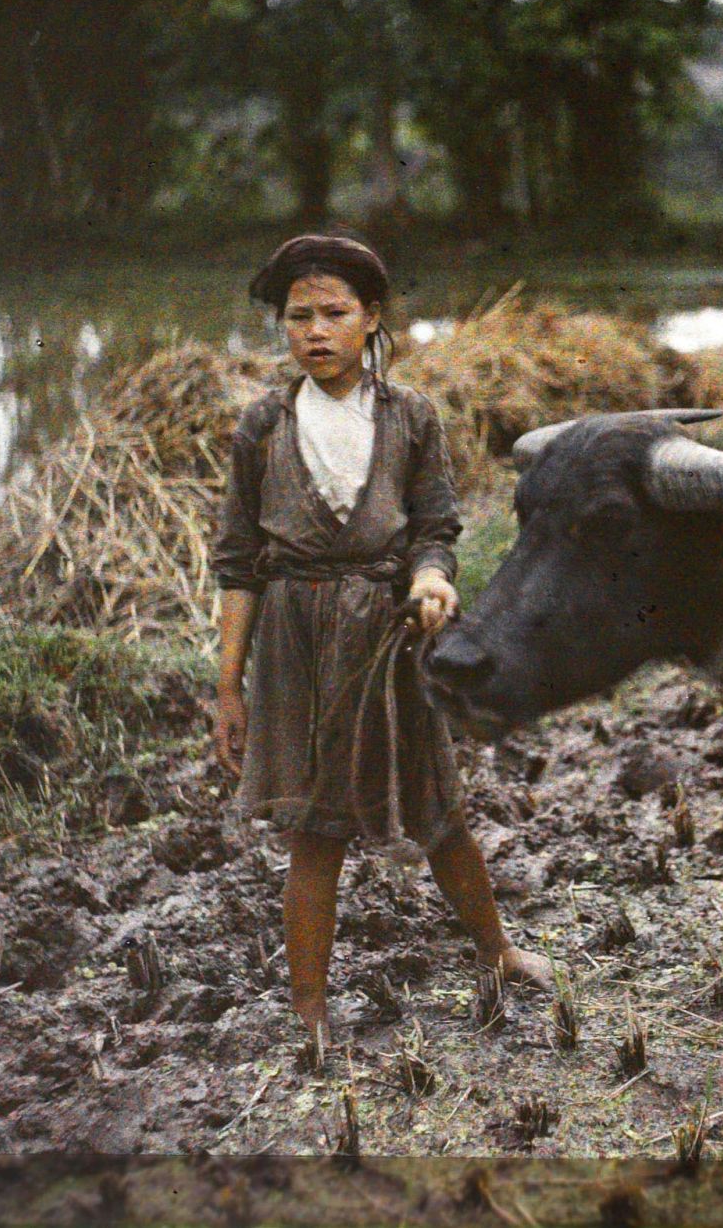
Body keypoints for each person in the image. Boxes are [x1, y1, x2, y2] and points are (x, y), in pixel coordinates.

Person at [210, 233, 553, 1069]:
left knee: (436, 806)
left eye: (334, 314)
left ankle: (496, 950)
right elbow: (236, 563)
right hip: (295, 642)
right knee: (316, 830)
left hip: (388, 638)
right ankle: (309, 1005)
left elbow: (435, 529)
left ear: (372, 320)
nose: (315, 331)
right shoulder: (263, 426)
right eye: (298, 317)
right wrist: (229, 686)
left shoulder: (411, 418)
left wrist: (433, 581)